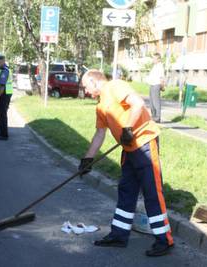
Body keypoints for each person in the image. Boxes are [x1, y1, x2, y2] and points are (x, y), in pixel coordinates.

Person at [79, 70, 174, 256]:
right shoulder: (100, 106)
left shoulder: (115, 86)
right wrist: (88, 158)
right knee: (126, 192)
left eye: (86, 87)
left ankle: (165, 241)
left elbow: (138, 104)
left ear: (95, 81)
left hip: (144, 143)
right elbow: (100, 134)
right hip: (129, 149)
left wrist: (128, 129)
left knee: (152, 193)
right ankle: (118, 235)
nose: (86, 91)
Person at [0, 54, 13, 141]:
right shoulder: (2, 69)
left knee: (2, 115)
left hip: (3, 95)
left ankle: (4, 135)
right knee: (2, 114)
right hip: (4, 94)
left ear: (2, 60)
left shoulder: (4, 71)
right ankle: (2, 133)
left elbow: (2, 86)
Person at [146, 53, 165, 123]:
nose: (153, 60)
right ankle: (153, 116)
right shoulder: (155, 66)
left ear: (158, 59)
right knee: (151, 102)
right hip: (152, 84)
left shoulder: (160, 66)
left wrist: (162, 86)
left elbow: (162, 78)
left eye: (154, 58)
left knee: (156, 102)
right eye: (153, 58)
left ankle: (157, 117)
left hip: (156, 85)